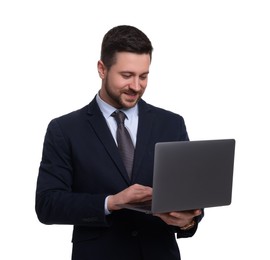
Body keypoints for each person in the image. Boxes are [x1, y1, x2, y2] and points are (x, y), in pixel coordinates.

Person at [35, 25, 203, 260]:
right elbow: (48, 204)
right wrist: (111, 202)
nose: (136, 86)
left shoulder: (171, 124)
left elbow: (189, 197)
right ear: (102, 69)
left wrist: (187, 221)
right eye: (127, 76)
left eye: (143, 76)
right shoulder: (64, 129)